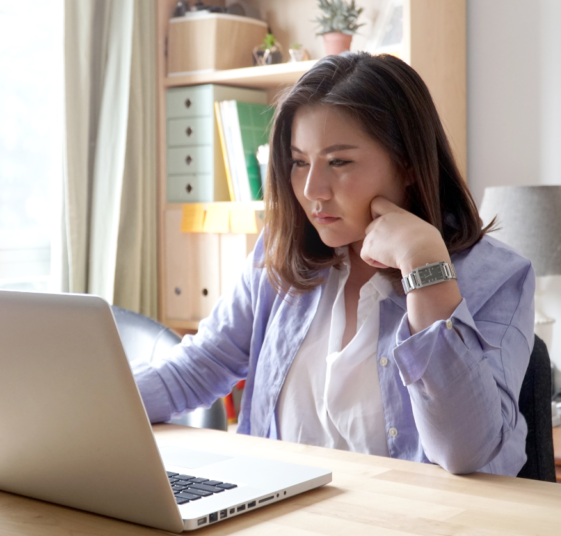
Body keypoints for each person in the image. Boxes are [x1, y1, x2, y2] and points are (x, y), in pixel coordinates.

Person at [133, 53, 535, 475]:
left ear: (410, 165)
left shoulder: (499, 277)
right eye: (299, 161)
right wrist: (87, 405)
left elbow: (464, 451)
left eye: (339, 162)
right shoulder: (282, 252)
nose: (312, 190)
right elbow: (199, 367)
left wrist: (424, 266)